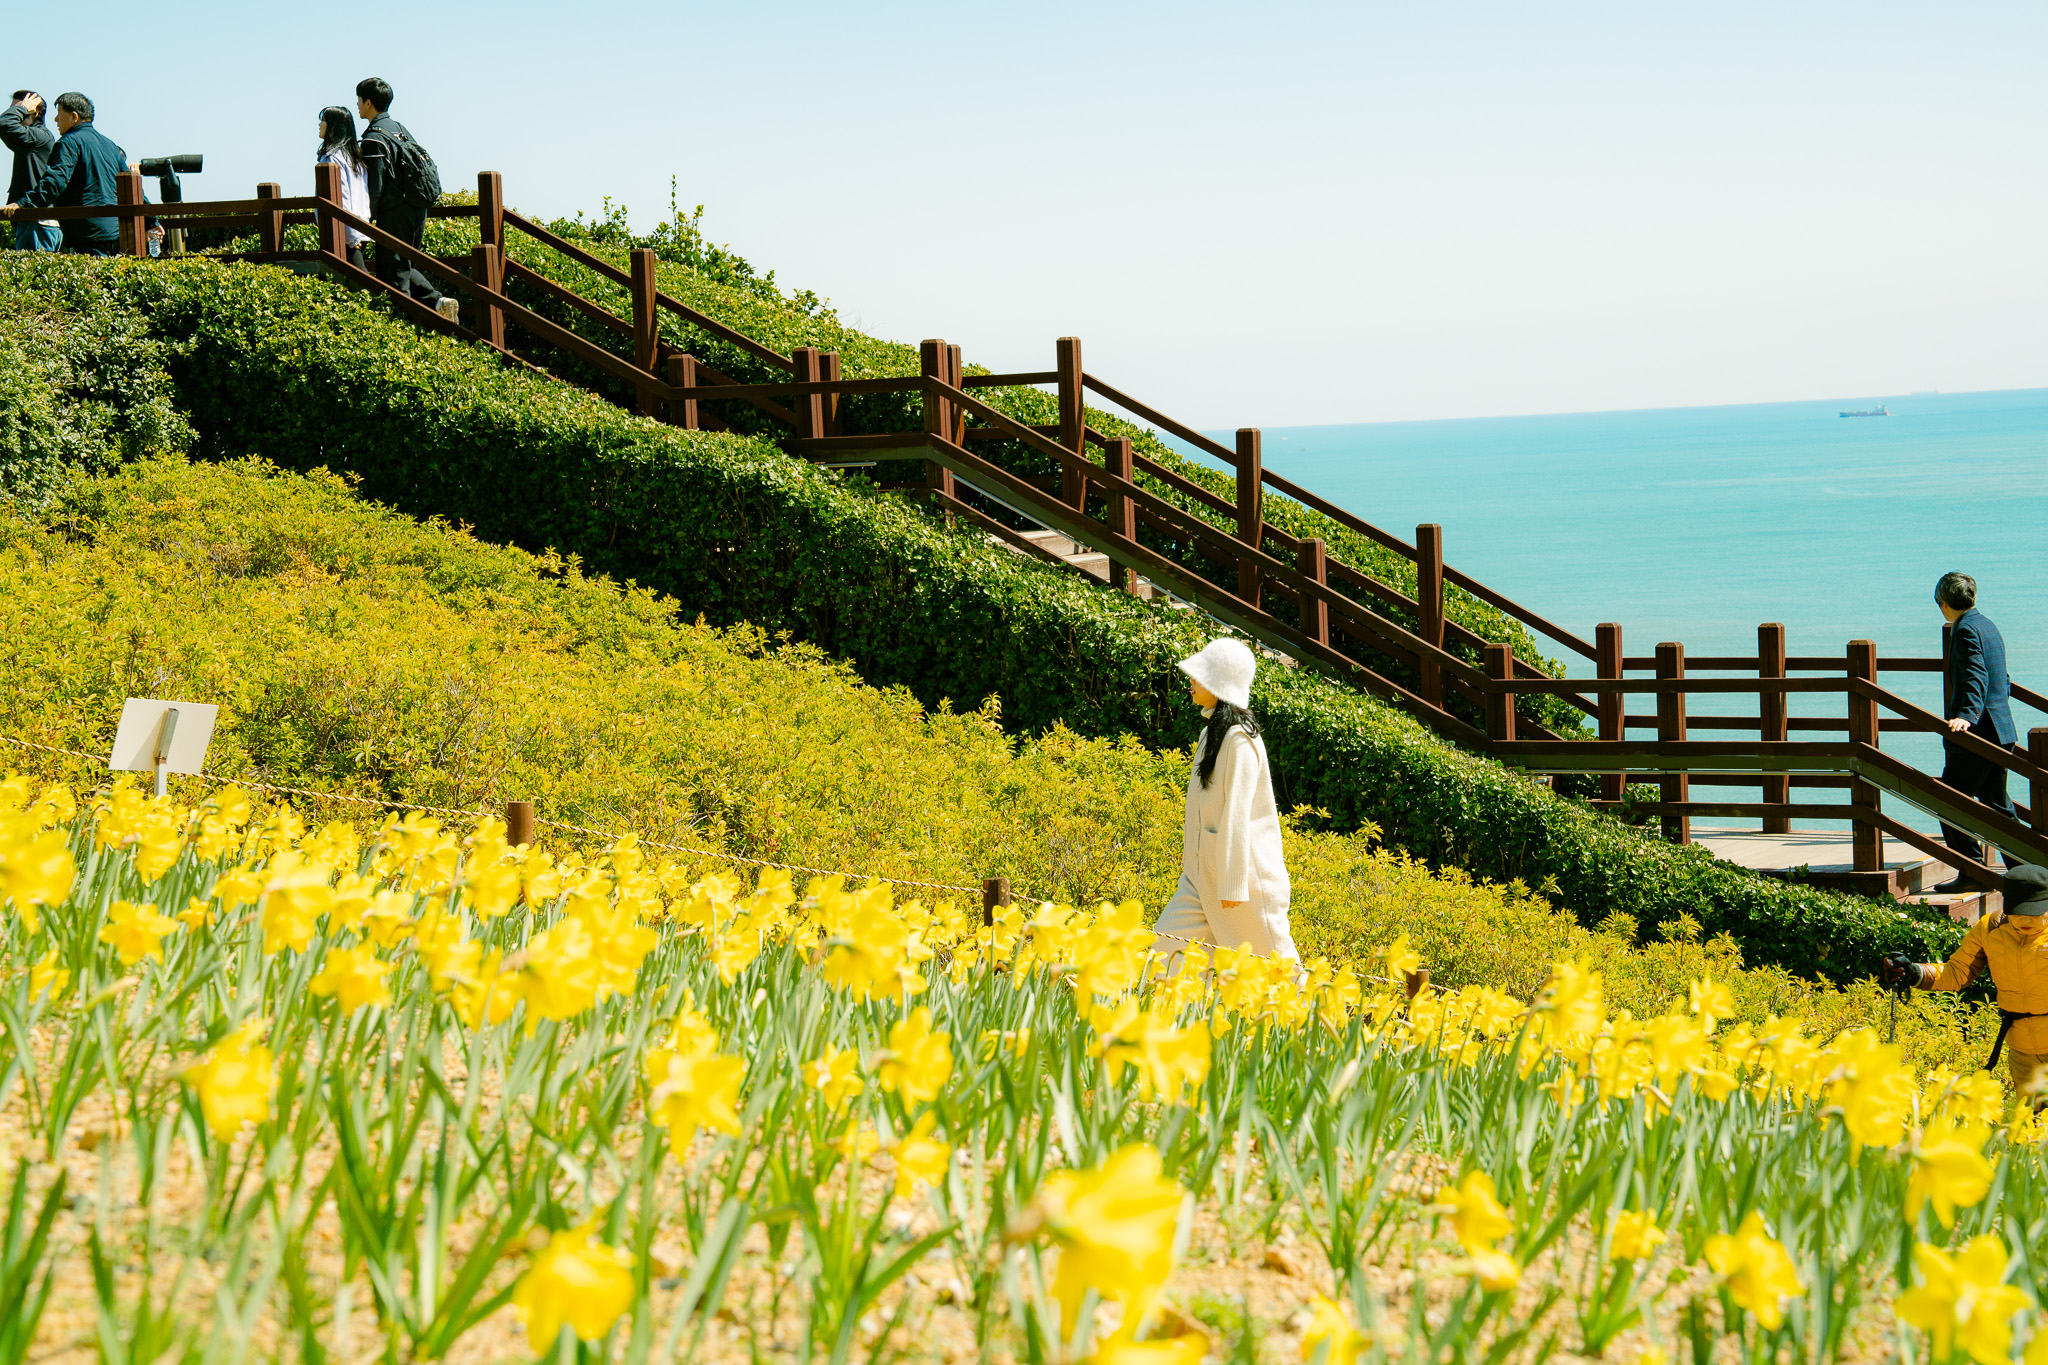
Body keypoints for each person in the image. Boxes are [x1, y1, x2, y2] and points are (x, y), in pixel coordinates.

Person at [1151, 636, 1298, 966]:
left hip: (1244, 887)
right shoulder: (1211, 733)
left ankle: (1316, 1003)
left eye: (1200, 674)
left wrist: (1232, 885)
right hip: (1201, 879)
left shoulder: (1241, 739)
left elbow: (1237, 813)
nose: (1191, 680)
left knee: (1276, 970)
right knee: (1164, 952)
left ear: (1220, 683)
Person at [1885, 864, 2048, 1104]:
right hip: (2022, 1051)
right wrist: (1913, 972)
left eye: (2033, 912)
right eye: (2019, 911)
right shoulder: (1991, 928)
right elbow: (1956, 972)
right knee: (2032, 1121)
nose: (2025, 919)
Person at [1932, 571, 2019, 889]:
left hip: (1981, 732)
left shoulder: (1965, 629)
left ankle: (1972, 872)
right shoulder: (1987, 625)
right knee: (1997, 806)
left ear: (1943, 603)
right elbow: (2002, 678)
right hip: (2001, 728)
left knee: (1949, 798)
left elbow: (1975, 675)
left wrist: (1966, 715)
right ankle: (2027, 872)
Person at [353, 77, 458, 321]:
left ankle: (404, 327)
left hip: (394, 212)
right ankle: (439, 302)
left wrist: (365, 222)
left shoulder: (373, 138)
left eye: (358, 100)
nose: (357, 105)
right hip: (417, 208)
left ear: (368, 103)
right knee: (403, 265)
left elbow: (376, 186)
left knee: (393, 275)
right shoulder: (400, 129)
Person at [2, 92, 126, 255]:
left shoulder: (67, 142)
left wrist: (23, 204)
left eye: (59, 114)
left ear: (74, 117)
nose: (55, 120)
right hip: (114, 231)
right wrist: (151, 221)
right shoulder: (110, 145)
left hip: (86, 232)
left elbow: (55, 182)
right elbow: (130, 184)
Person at [0, 91, 58, 250]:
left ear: (35, 112)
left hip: (36, 221)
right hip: (37, 221)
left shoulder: (38, 137)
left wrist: (23, 108)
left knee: (33, 267)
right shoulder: (39, 136)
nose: (15, 113)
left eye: (19, 109)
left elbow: (4, 124)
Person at [316, 106, 370, 271]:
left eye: (323, 120)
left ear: (333, 125)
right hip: (361, 227)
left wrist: (351, 237)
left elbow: (342, 197)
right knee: (350, 279)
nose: (319, 125)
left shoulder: (332, 158)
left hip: (344, 231)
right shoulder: (355, 157)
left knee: (359, 281)